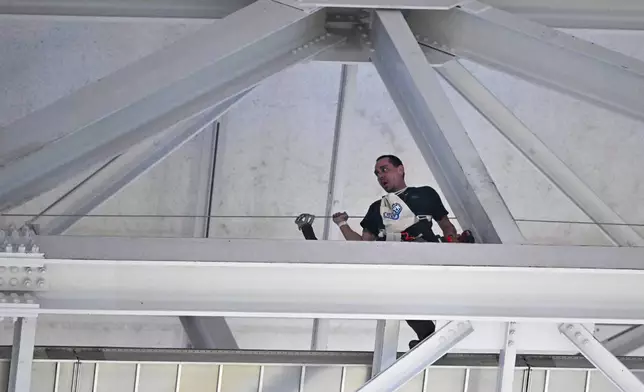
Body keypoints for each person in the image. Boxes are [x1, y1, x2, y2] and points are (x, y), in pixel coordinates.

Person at [331, 154, 458, 349]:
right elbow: (363, 245)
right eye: (376, 173)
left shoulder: (424, 194)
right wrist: (342, 225)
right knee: (398, 298)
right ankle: (427, 336)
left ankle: (433, 335)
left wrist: (452, 249)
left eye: (384, 169)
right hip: (394, 265)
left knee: (409, 296)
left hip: (426, 257)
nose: (380, 176)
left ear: (400, 169)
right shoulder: (376, 208)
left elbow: (447, 226)